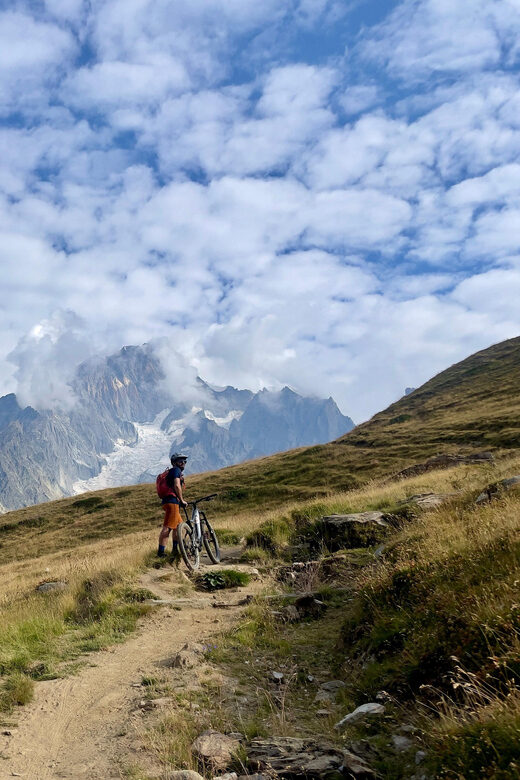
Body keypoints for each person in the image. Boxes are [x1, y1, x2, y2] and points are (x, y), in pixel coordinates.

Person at [157, 453, 188, 557]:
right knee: (168, 527)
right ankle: (160, 553)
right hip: (172, 501)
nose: (183, 463)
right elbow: (176, 485)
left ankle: (175, 550)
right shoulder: (176, 470)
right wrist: (182, 500)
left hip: (167, 501)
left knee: (178, 526)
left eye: (184, 461)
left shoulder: (171, 471)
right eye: (180, 461)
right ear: (174, 463)